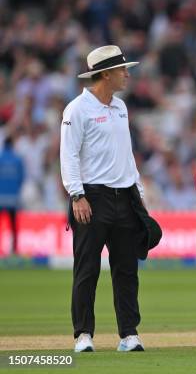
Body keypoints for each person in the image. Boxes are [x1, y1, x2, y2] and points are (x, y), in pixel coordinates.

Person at [60, 45, 153, 352]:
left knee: (127, 270)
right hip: (92, 197)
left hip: (124, 197)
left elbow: (125, 155)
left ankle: (129, 334)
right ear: (106, 74)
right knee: (86, 268)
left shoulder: (121, 107)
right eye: (122, 69)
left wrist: (137, 194)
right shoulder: (77, 109)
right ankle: (83, 334)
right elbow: (69, 155)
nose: (127, 74)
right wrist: (77, 194)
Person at [0, 136, 25, 254]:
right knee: (13, 225)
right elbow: (21, 179)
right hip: (13, 198)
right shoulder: (18, 159)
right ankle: (14, 250)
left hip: (1, 197)